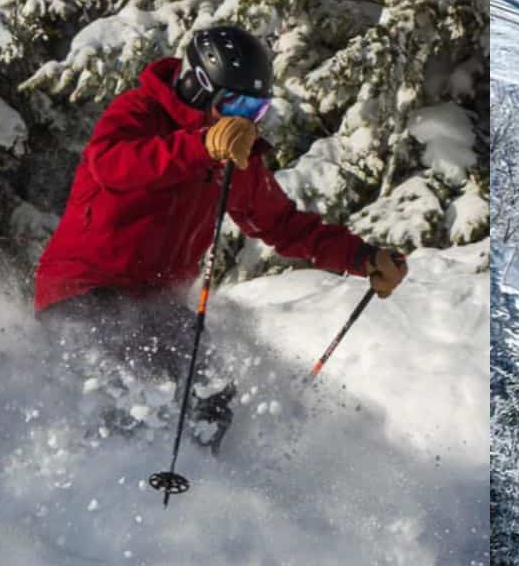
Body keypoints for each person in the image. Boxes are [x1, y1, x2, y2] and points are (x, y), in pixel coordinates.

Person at [34, 25, 407, 447]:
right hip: (84, 289)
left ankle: (200, 481)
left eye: (256, 109)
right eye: (235, 104)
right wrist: (200, 146)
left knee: (209, 396)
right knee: (134, 393)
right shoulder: (141, 111)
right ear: (197, 87)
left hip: (155, 301)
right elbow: (112, 165)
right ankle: (103, 473)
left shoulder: (230, 152)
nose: (243, 119)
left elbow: (282, 223)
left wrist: (361, 257)